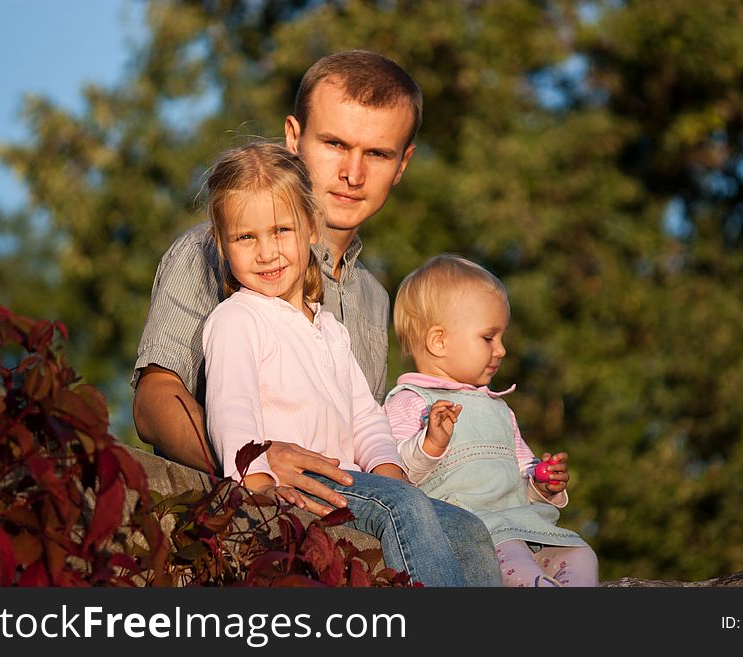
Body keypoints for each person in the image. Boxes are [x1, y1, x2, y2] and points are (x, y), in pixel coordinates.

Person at [132, 50, 501, 585]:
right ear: (293, 136)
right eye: (334, 144)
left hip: (346, 535)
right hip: (243, 540)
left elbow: (360, 425)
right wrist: (255, 465)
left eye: (377, 153)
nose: (352, 173)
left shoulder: (374, 301)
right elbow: (152, 402)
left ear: (403, 165)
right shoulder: (211, 252)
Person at [201, 141, 471, 586]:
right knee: (403, 508)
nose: (266, 252)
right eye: (246, 237)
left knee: (467, 528)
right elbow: (232, 410)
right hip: (299, 483)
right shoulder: (237, 318)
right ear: (222, 243)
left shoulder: (331, 328)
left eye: (282, 231)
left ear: (310, 227)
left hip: (353, 482)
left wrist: (390, 472)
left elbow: (365, 418)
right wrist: (259, 483)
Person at [384, 254, 599, 587]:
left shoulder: (498, 408)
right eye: (488, 338)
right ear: (439, 341)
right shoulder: (410, 402)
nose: (501, 350)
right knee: (514, 560)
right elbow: (394, 475)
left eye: (501, 338)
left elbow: (521, 473)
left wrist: (542, 484)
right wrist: (430, 445)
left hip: (524, 528)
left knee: (580, 554)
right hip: (474, 536)